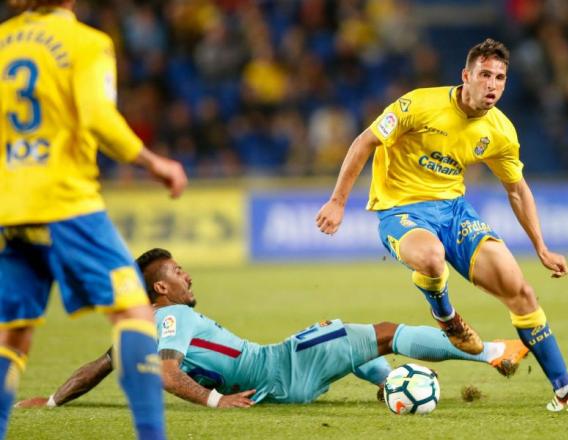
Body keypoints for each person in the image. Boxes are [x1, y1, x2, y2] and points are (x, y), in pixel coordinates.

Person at [316, 38, 568, 409]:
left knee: (522, 292)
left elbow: (517, 190)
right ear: (466, 76)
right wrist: (338, 202)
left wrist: (541, 247)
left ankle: (566, 391)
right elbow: (364, 141)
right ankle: (446, 316)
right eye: (485, 74)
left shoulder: (500, 131)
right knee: (431, 257)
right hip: (402, 211)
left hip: (454, 213)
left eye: (500, 77)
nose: (493, 84)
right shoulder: (418, 104)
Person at [15, 248, 528, 410]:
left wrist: (54, 401)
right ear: (161, 290)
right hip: (280, 367)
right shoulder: (169, 318)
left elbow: (98, 369)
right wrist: (218, 402)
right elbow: (168, 377)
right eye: (176, 272)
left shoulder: (138, 331)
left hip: (276, 380)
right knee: (388, 331)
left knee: (332, 328)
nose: (186, 274)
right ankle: (493, 353)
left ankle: (387, 386)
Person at [0, 2, 188, 438]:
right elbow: (98, 117)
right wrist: (154, 162)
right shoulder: (87, 43)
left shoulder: (4, 42)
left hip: (10, 208)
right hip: (67, 204)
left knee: (13, 337)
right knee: (135, 314)